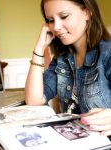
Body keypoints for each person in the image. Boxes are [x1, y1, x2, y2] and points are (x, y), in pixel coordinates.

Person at [25, 0, 111, 136]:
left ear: (87, 12)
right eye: (50, 20)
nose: (56, 27)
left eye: (64, 16)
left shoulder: (108, 53)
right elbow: (34, 100)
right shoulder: (62, 59)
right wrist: (39, 47)